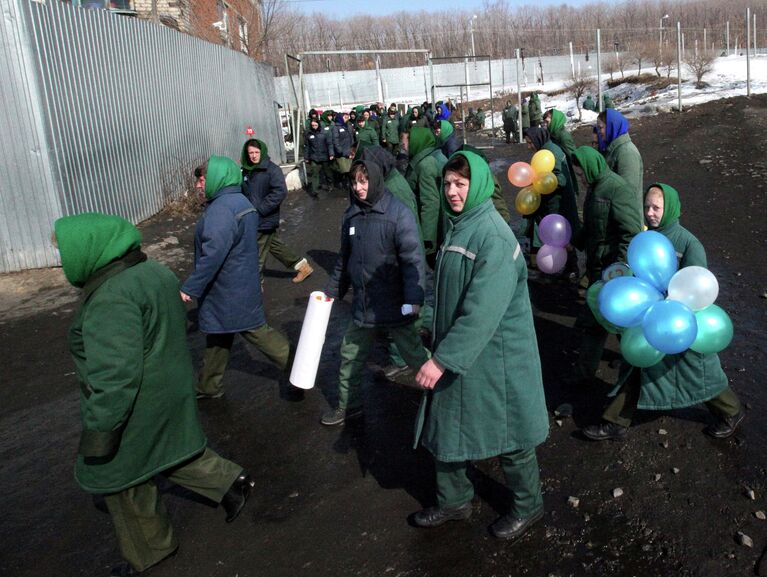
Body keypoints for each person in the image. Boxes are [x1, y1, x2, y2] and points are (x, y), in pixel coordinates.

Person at [55, 212, 254, 576]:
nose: (62, 261)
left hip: (134, 403)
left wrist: (100, 429)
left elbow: (115, 375)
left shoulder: (110, 299)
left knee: (122, 477)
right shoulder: (153, 272)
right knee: (170, 448)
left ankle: (151, 551)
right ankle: (230, 482)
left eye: (64, 252)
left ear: (88, 250)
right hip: (168, 386)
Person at [413, 151, 549, 542]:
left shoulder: (492, 235)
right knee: (446, 426)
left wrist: (442, 360)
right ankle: (454, 500)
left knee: (512, 435)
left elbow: (482, 311)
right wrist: (426, 322)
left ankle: (529, 505)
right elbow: (446, 288)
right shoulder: (459, 226)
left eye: (461, 184)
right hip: (463, 350)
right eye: (448, 184)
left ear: (479, 187)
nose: (452, 192)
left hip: (498, 357)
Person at [582, 184, 744, 440]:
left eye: (656, 207)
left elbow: (698, 288)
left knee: (700, 372)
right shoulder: (644, 238)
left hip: (682, 326)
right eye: (647, 206)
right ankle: (615, 420)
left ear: (670, 208)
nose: (650, 213)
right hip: (650, 322)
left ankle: (731, 411)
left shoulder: (689, 243)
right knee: (636, 365)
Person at [321, 160, 430, 426]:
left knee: (417, 357)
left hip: (394, 304)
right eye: (355, 182)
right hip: (364, 305)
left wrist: (413, 299)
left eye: (364, 181)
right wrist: (333, 290)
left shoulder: (398, 213)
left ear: (376, 180)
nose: (358, 188)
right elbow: (344, 258)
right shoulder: (351, 215)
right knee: (349, 357)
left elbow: (412, 260)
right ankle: (349, 406)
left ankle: (446, 396)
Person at [181, 157, 293, 400]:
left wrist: (192, 286)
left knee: (255, 331)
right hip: (238, 282)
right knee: (218, 334)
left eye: (202, 180)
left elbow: (213, 253)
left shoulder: (221, 210)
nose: (199, 185)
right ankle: (209, 386)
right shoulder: (237, 201)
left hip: (228, 287)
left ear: (216, 178)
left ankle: (297, 365)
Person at [569, 146, 643, 384]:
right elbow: (592, 225)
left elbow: (630, 233)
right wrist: (574, 243)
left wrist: (620, 268)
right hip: (598, 266)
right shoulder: (595, 188)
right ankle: (631, 360)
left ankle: (585, 375)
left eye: (581, 174)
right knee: (610, 320)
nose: (580, 179)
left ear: (591, 168)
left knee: (598, 322)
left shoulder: (617, 189)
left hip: (612, 270)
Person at [240, 138, 314, 284]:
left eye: (256, 152)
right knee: (274, 245)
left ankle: (255, 286)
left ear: (262, 152)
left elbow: (280, 192)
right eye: (250, 153)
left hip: (264, 218)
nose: (254, 156)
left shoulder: (272, 170)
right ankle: (302, 266)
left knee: (256, 255)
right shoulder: (246, 171)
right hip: (253, 217)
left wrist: (260, 210)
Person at [523, 127, 581, 273]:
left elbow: (560, 178)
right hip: (552, 201)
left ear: (538, 139)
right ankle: (566, 267)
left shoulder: (550, 152)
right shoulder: (545, 150)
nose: (529, 146)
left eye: (530, 143)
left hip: (558, 203)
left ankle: (571, 268)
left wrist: (542, 182)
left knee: (561, 234)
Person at [405, 127, 448, 267]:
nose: (403, 146)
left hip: (435, 233)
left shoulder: (426, 164)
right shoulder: (428, 158)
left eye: (405, 142)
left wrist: (428, 241)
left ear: (416, 142)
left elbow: (430, 203)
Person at [597, 109, 644, 211]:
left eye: (601, 128)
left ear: (612, 126)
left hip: (626, 218)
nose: (599, 132)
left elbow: (627, 192)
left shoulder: (627, 153)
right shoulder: (612, 149)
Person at [543, 108, 580, 198]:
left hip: (565, 167)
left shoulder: (563, 136)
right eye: (544, 122)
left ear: (555, 120)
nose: (545, 125)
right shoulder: (552, 133)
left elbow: (572, 154)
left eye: (547, 122)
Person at [304, 117, 334, 196]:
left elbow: (329, 144)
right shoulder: (309, 134)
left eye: (315, 125)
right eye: (313, 125)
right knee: (314, 172)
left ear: (318, 125)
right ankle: (315, 190)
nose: (314, 127)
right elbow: (307, 147)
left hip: (324, 156)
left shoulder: (324, 133)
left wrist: (331, 154)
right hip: (314, 157)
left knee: (327, 172)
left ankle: (330, 184)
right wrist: (306, 157)